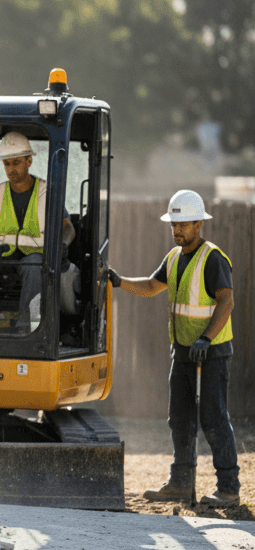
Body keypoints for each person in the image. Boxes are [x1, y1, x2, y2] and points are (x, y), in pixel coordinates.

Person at [108, 189, 239, 507]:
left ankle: (229, 489)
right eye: (174, 225)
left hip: (212, 350)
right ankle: (181, 483)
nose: (178, 230)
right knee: (179, 417)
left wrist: (205, 338)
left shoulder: (213, 259)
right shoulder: (174, 258)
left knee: (213, 418)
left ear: (199, 224)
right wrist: (119, 281)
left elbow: (226, 301)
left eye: (184, 224)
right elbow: (152, 286)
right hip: (182, 349)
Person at [0, 130, 76, 330]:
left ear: (29, 161)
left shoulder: (46, 193)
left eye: (16, 163)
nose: (11, 169)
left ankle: (28, 327)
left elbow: (67, 227)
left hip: (35, 256)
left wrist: (61, 244)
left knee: (35, 269)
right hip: (3, 255)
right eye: (7, 164)